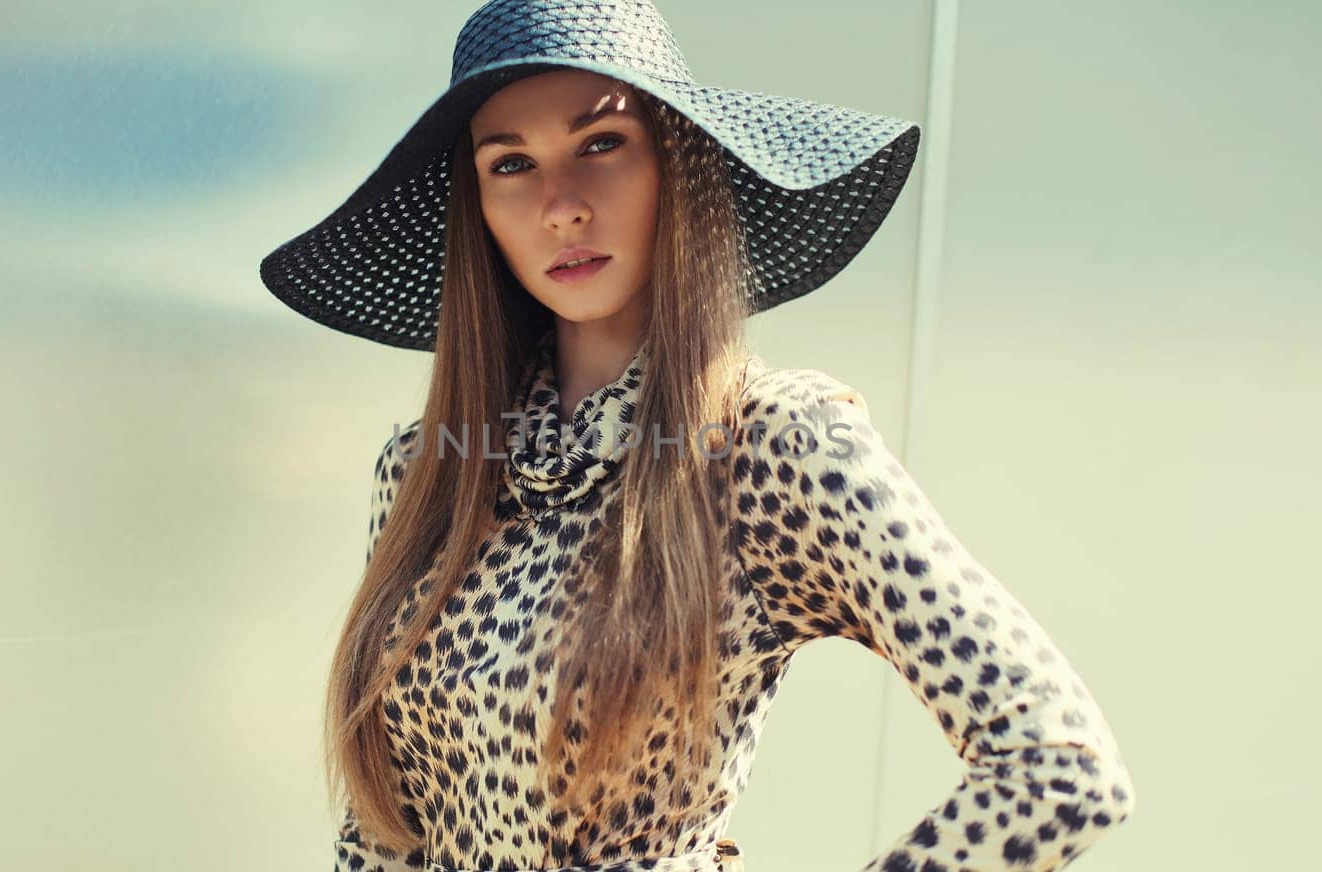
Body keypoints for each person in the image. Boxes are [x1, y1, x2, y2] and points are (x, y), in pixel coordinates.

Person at [257, 2, 1136, 870]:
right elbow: (383, 836)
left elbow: (1060, 766)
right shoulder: (422, 471)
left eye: (601, 143)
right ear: (477, 206)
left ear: (676, 164)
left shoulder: (777, 446)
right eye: (511, 163)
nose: (560, 206)